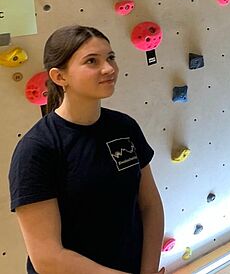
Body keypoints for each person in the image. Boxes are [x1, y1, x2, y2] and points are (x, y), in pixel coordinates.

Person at [9, 25, 165, 274]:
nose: (109, 68)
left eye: (110, 57)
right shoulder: (36, 151)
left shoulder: (124, 127)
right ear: (59, 77)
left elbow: (150, 205)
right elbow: (47, 258)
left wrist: (148, 270)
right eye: (92, 61)